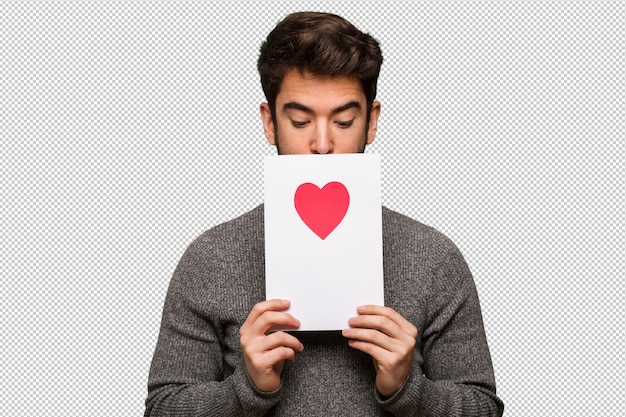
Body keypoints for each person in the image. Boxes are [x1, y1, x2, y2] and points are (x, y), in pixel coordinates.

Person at [145, 11, 504, 416]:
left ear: (371, 123)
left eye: (344, 120)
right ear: (269, 122)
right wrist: (244, 389)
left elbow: (484, 409)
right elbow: (161, 409)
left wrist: (410, 389)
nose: (321, 143)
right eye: (299, 121)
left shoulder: (434, 258)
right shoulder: (210, 258)